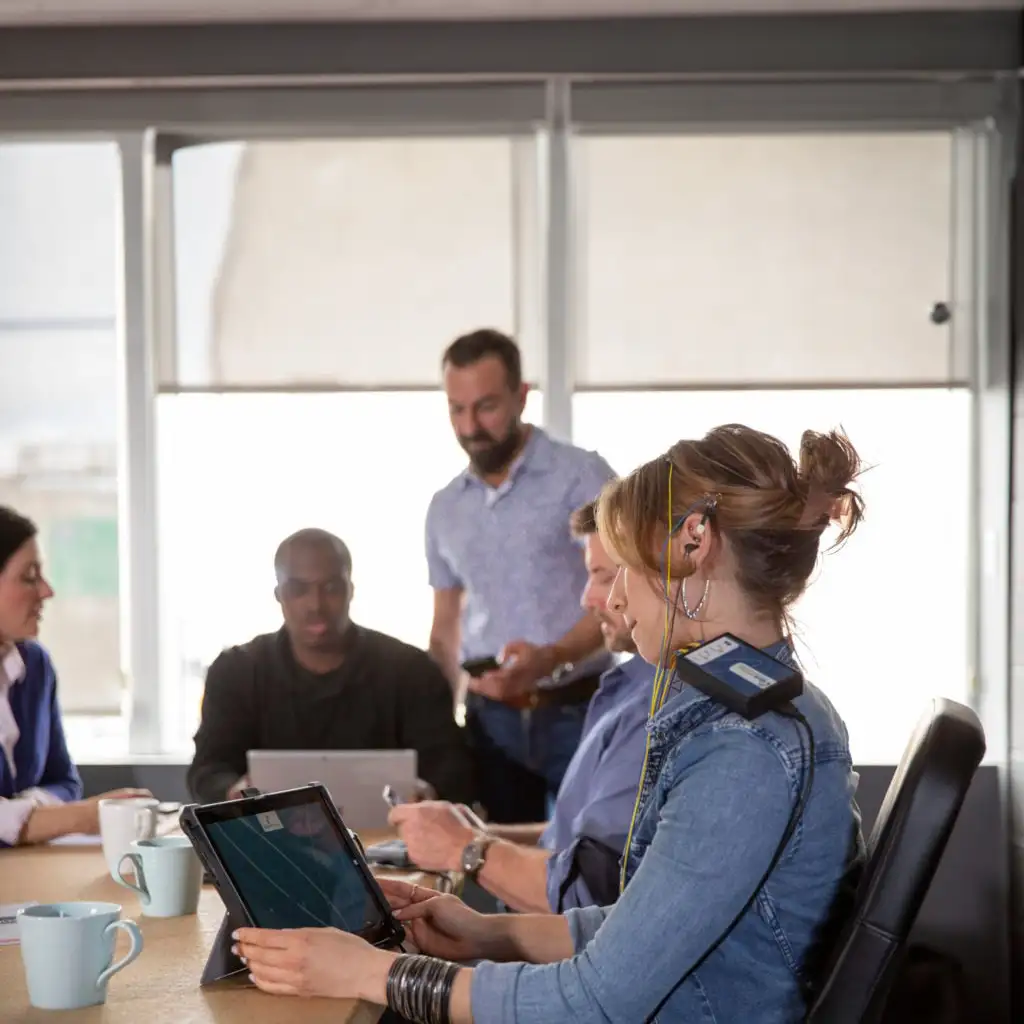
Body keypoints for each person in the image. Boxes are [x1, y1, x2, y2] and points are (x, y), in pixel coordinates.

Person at [234, 424, 867, 1023]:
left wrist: (369, 975)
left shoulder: (740, 752)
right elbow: (644, 930)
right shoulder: (764, 712)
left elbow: (593, 1003)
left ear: (695, 543)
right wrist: (490, 929)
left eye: (625, 567)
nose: (613, 600)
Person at [390, 498, 656, 913]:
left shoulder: (655, 710)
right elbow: (579, 836)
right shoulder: (624, 688)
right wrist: (482, 835)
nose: (586, 599)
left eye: (601, 577)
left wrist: (465, 848)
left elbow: (588, 894)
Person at [426, 329, 616, 822]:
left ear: (521, 396)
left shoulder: (581, 477)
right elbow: (445, 629)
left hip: (582, 710)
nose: (470, 425)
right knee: (500, 871)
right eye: (456, 409)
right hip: (492, 724)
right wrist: (436, 730)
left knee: (597, 863)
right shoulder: (444, 508)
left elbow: (622, 590)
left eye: (485, 406)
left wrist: (551, 658)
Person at [188, 528, 474, 807]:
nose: (316, 604)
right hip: (270, 839)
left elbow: (452, 768)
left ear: (350, 590)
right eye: (299, 589)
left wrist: (431, 791)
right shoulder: (236, 671)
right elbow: (208, 768)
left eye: (331, 588)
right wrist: (232, 792)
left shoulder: (410, 671)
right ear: (279, 595)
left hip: (393, 843)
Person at [0, 506, 150, 847]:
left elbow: (65, 782)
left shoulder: (34, 665)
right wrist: (81, 816)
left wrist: (28, 813)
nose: (47, 591)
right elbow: (72, 804)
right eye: (29, 576)